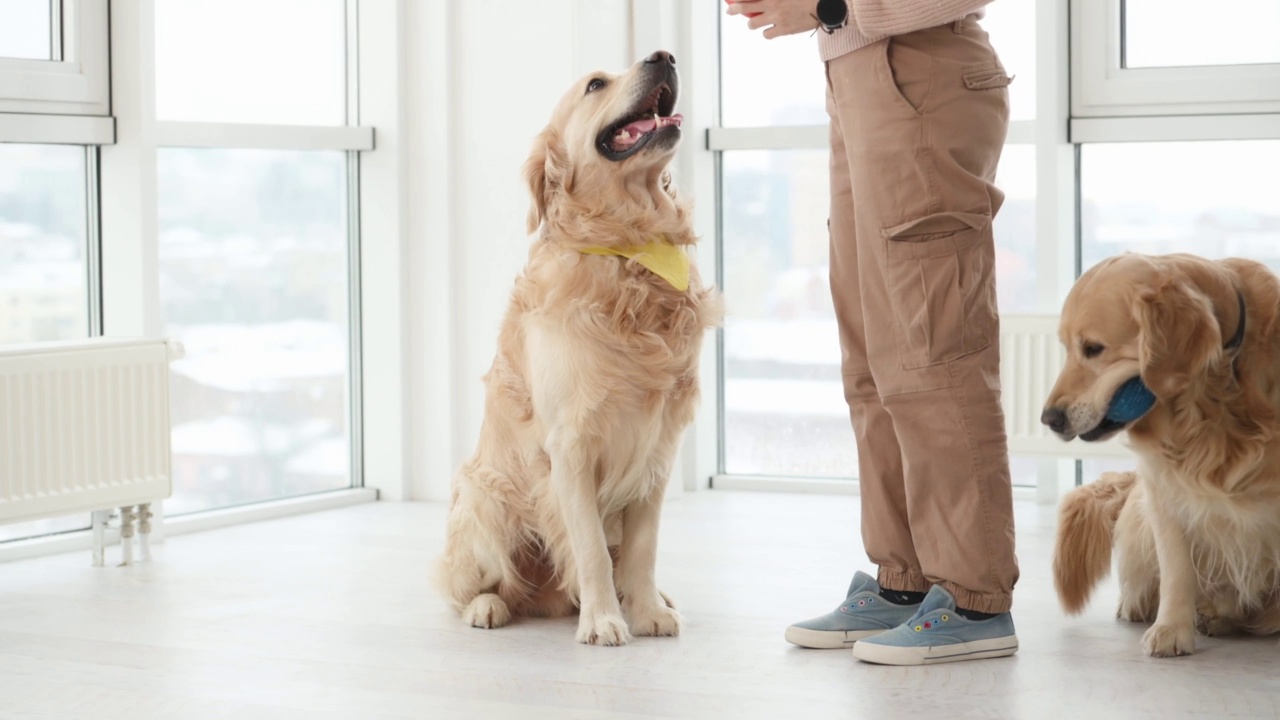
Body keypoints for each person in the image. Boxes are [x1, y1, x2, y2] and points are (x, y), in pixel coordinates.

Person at [726, 0, 1020, 665]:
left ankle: (975, 599)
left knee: (931, 348)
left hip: (922, 73)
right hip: (856, 82)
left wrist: (826, 4)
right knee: (871, 358)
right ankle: (906, 582)